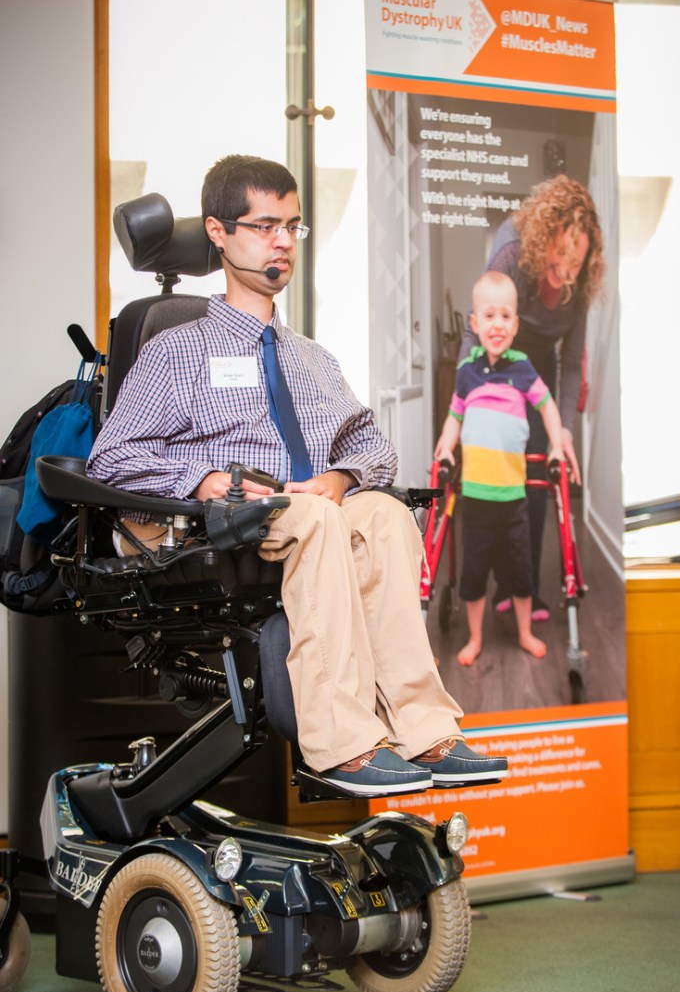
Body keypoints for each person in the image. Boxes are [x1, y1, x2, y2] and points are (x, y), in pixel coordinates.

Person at [88, 153, 508, 798]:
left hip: (302, 511)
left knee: (386, 514)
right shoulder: (175, 350)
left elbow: (375, 449)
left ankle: (425, 729)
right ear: (219, 233)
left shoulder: (313, 358)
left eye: (293, 227)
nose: (282, 242)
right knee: (311, 517)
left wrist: (340, 478)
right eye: (264, 226)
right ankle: (343, 744)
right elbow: (111, 458)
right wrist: (204, 479)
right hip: (208, 524)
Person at [460, 174, 605, 621]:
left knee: (539, 472)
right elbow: (481, 329)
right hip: (497, 357)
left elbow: (574, 363)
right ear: (545, 240)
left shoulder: (577, 288)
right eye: (559, 258)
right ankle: (490, 582)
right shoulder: (512, 255)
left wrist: (562, 431)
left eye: (575, 265)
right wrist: (468, 406)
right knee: (498, 467)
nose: (564, 274)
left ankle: (522, 586)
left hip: (539, 365)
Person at [435, 271, 564, 666]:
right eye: (489, 316)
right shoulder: (467, 372)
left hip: (513, 498)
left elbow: (547, 407)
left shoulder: (523, 368)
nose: (497, 324)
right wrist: (445, 447)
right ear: (474, 323)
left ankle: (524, 632)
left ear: (515, 324)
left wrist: (558, 444)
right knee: (474, 574)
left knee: (521, 571)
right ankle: (475, 638)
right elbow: (455, 417)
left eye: (506, 316)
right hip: (475, 498)